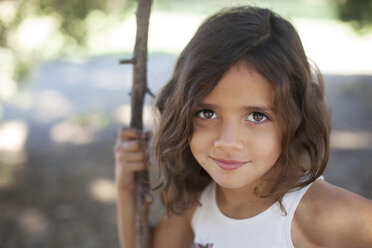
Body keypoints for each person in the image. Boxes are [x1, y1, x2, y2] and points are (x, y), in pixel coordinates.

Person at [114, 6, 372, 248]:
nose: (227, 142)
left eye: (257, 117)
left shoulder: (320, 212)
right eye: (207, 113)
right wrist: (126, 186)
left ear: (296, 119)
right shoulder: (198, 205)